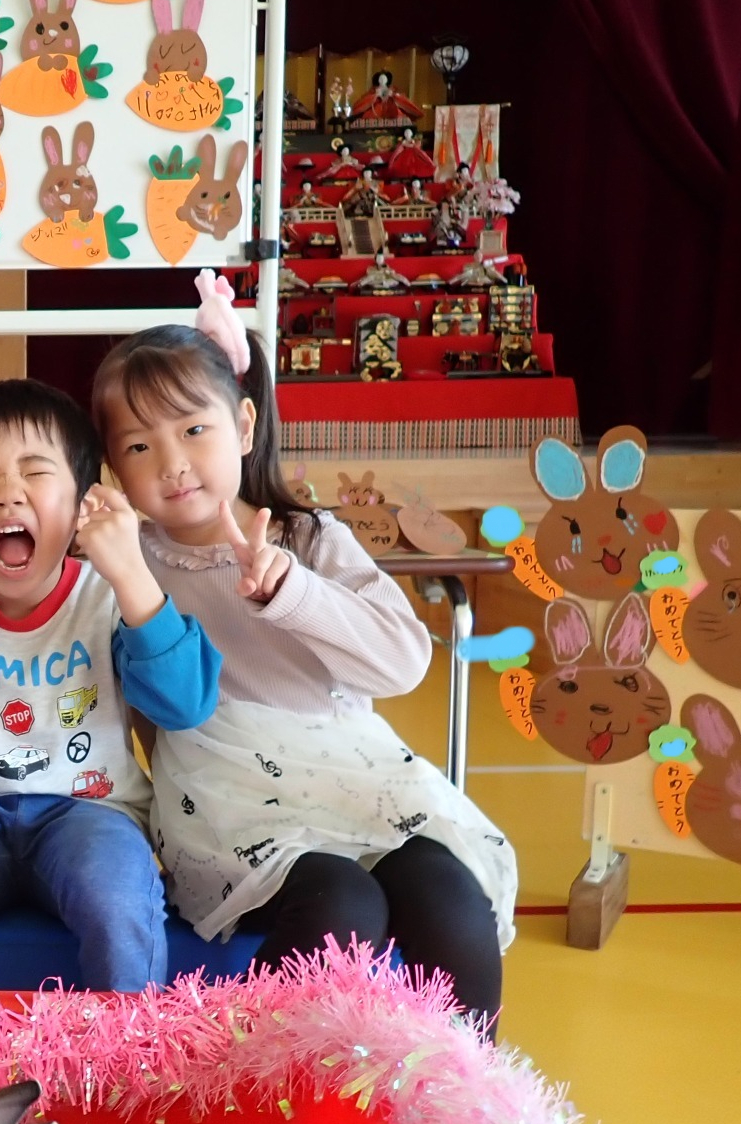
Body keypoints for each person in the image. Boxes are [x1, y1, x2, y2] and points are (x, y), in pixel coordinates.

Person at [89, 276, 516, 1033]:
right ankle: (251, 1079)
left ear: (244, 425)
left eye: (194, 429)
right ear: (114, 467)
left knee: (450, 902)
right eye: (139, 445)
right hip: (225, 799)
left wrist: (292, 589)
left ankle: (456, 1096)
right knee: (341, 907)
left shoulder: (310, 538)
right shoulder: (127, 563)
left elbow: (403, 663)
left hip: (353, 779)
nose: (172, 462)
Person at [0, 380, 221, 992]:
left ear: (84, 504)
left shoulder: (111, 592)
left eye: (35, 471)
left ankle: (127, 1051)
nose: (7, 492)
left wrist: (133, 573)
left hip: (93, 812)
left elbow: (184, 703)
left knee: (119, 896)